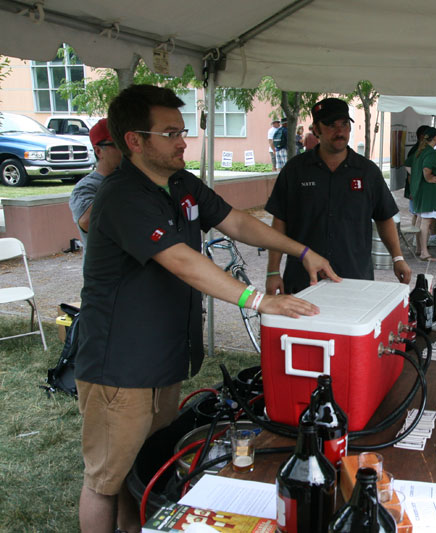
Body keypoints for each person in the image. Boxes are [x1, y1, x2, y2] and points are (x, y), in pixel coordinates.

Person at [75, 84, 339, 533]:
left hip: (164, 358)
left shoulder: (179, 181)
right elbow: (181, 259)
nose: (183, 141)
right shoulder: (121, 196)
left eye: (183, 131)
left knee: (141, 464)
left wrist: (302, 251)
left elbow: (235, 221)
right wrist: (257, 298)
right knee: (104, 478)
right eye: (170, 132)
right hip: (118, 365)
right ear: (135, 141)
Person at [265, 97, 412, 295]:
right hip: (304, 280)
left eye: (344, 124)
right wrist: (273, 271)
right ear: (316, 129)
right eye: (331, 125)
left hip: (354, 278)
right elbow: (280, 222)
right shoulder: (295, 171)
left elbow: (384, 216)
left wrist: (398, 258)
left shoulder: (368, 172)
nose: (340, 131)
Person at [69, 118, 122, 246]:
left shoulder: (137, 180)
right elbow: (89, 221)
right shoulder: (86, 187)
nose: (126, 150)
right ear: (98, 151)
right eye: (118, 145)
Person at [405, 127, 436, 260]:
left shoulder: (419, 151)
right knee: (426, 221)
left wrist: (417, 177)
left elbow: (407, 165)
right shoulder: (431, 153)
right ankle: (424, 252)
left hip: (420, 190)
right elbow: (427, 168)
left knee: (420, 219)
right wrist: (428, 178)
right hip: (429, 192)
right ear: (434, 139)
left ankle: (418, 248)